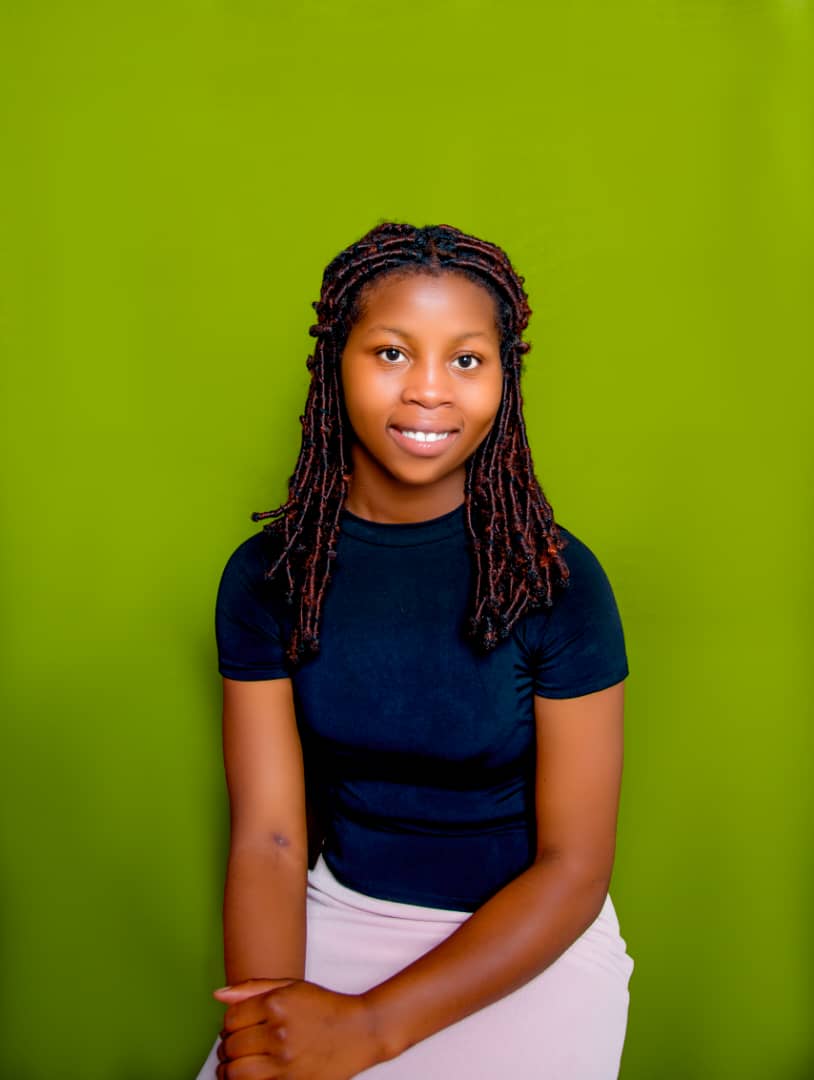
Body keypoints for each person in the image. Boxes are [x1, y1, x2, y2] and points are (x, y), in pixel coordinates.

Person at [195, 222, 634, 1080]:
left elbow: (575, 868)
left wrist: (369, 1030)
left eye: (466, 360)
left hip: (526, 943)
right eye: (392, 353)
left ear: (504, 379)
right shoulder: (270, 577)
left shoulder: (556, 580)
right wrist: (273, 1020)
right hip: (338, 916)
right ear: (337, 363)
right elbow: (271, 838)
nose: (429, 390)